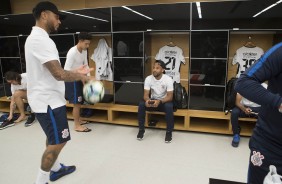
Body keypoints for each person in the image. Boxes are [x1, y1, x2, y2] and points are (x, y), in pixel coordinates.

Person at [25, 1, 93, 184]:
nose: (59, 21)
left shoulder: (37, 38)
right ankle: (42, 180)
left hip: (49, 99)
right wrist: (79, 75)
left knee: (52, 137)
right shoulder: (40, 40)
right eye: (57, 17)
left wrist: (79, 74)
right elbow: (59, 74)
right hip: (48, 101)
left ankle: (55, 169)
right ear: (44, 14)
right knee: (58, 141)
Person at [235, 42, 282, 183]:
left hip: (258, 109)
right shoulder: (280, 51)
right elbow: (243, 83)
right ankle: (236, 133)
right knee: (235, 112)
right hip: (272, 145)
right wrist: (279, 103)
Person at [137, 60, 174, 143]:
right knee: (141, 104)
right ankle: (141, 130)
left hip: (163, 102)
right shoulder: (148, 78)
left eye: (157, 68)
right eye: (153, 68)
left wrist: (159, 101)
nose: (154, 70)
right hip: (153, 101)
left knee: (169, 106)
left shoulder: (168, 79)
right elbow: (145, 95)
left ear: (162, 70)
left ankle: (169, 132)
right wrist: (147, 100)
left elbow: (170, 97)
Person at [64, 32, 92, 132]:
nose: (88, 46)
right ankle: (76, 125)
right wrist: (79, 74)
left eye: (89, 44)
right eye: (86, 44)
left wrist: (87, 78)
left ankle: (78, 120)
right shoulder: (72, 52)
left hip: (79, 78)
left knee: (79, 102)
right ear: (80, 41)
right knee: (77, 103)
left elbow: (86, 65)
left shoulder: (84, 51)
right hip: (72, 80)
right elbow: (65, 70)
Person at [231, 83, 267, 147]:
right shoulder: (242, 85)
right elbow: (237, 102)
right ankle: (236, 134)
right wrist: (244, 109)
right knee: (234, 112)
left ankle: (260, 136)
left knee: (266, 113)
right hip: (243, 107)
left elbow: (267, 102)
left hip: (257, 108)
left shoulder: (264, 86)